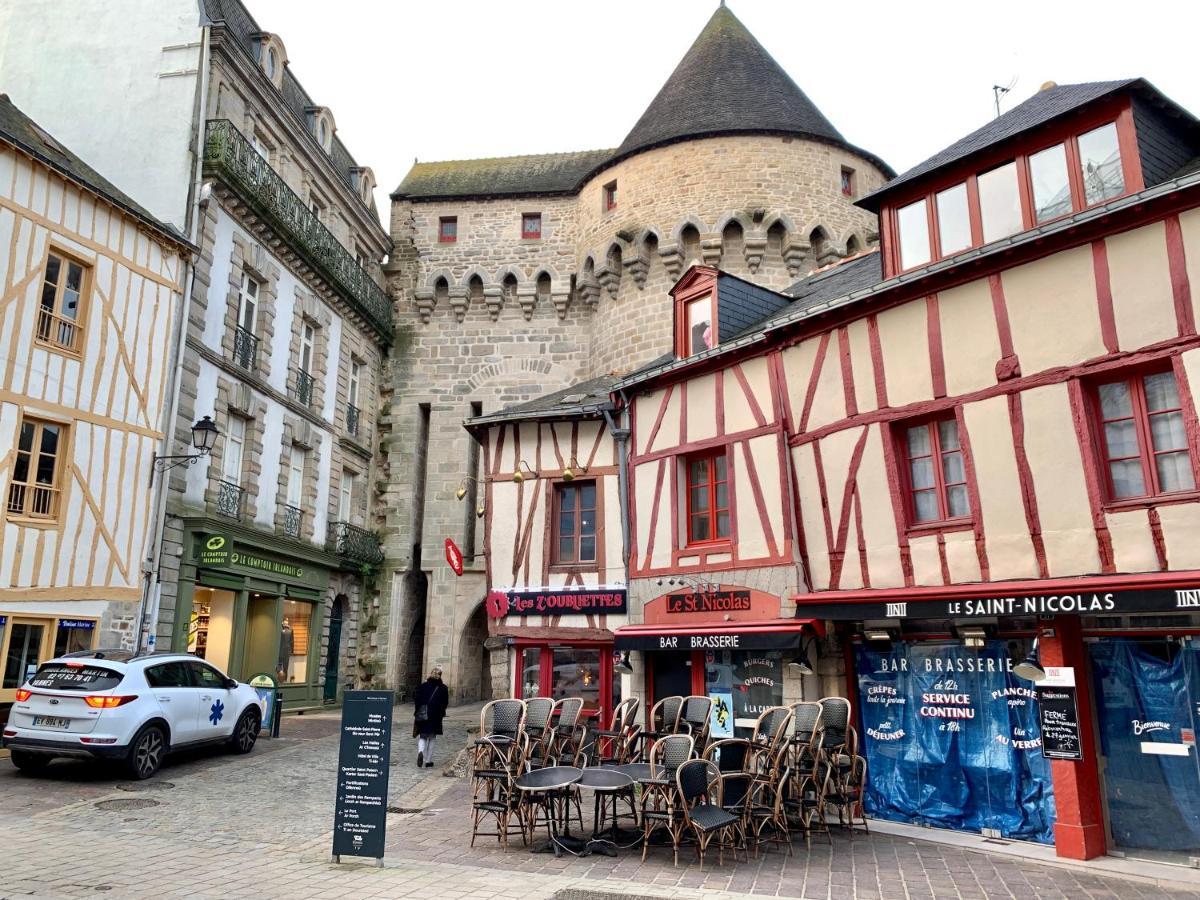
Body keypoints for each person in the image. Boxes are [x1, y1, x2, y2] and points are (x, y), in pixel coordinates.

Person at [413, 666, 449, 768]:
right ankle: (428, 761)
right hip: (436, 716)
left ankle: (420, 751)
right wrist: (441, 712)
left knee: (423, 736)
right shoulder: (443, 688)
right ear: (440, 675)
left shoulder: (422, 686)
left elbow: (416, 699)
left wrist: (418, 711)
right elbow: (445, 703)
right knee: (432, 737)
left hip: (423, 714)